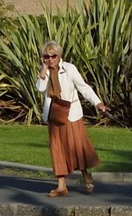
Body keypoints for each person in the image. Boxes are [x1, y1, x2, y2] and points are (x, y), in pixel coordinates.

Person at [36, 43, 103, 196]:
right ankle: (61, 186)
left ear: (59, 56)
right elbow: (40, 88)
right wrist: (44, 70)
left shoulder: (69, 69)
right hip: (54, 114)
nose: (50, 59)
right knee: (57, 149)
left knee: (77, 147)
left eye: (53, 56)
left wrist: (97, 103)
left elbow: (83, 87)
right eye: (47, 57)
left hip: (71, 113)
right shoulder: (45, 72)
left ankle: (86, 175)